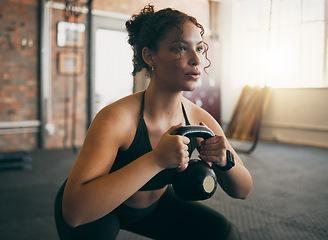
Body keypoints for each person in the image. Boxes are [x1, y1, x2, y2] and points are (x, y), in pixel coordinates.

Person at [54, 4, 252, 240]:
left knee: (224, 234)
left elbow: (243, 190)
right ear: (150, 56)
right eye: (180, 48)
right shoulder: (116, 119)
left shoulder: (199, 120)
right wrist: (156, 160)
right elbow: (75, 212)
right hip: (97, 210)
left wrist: (224, 162)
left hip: (152, 209)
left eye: (199, 48)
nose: (196, 59)